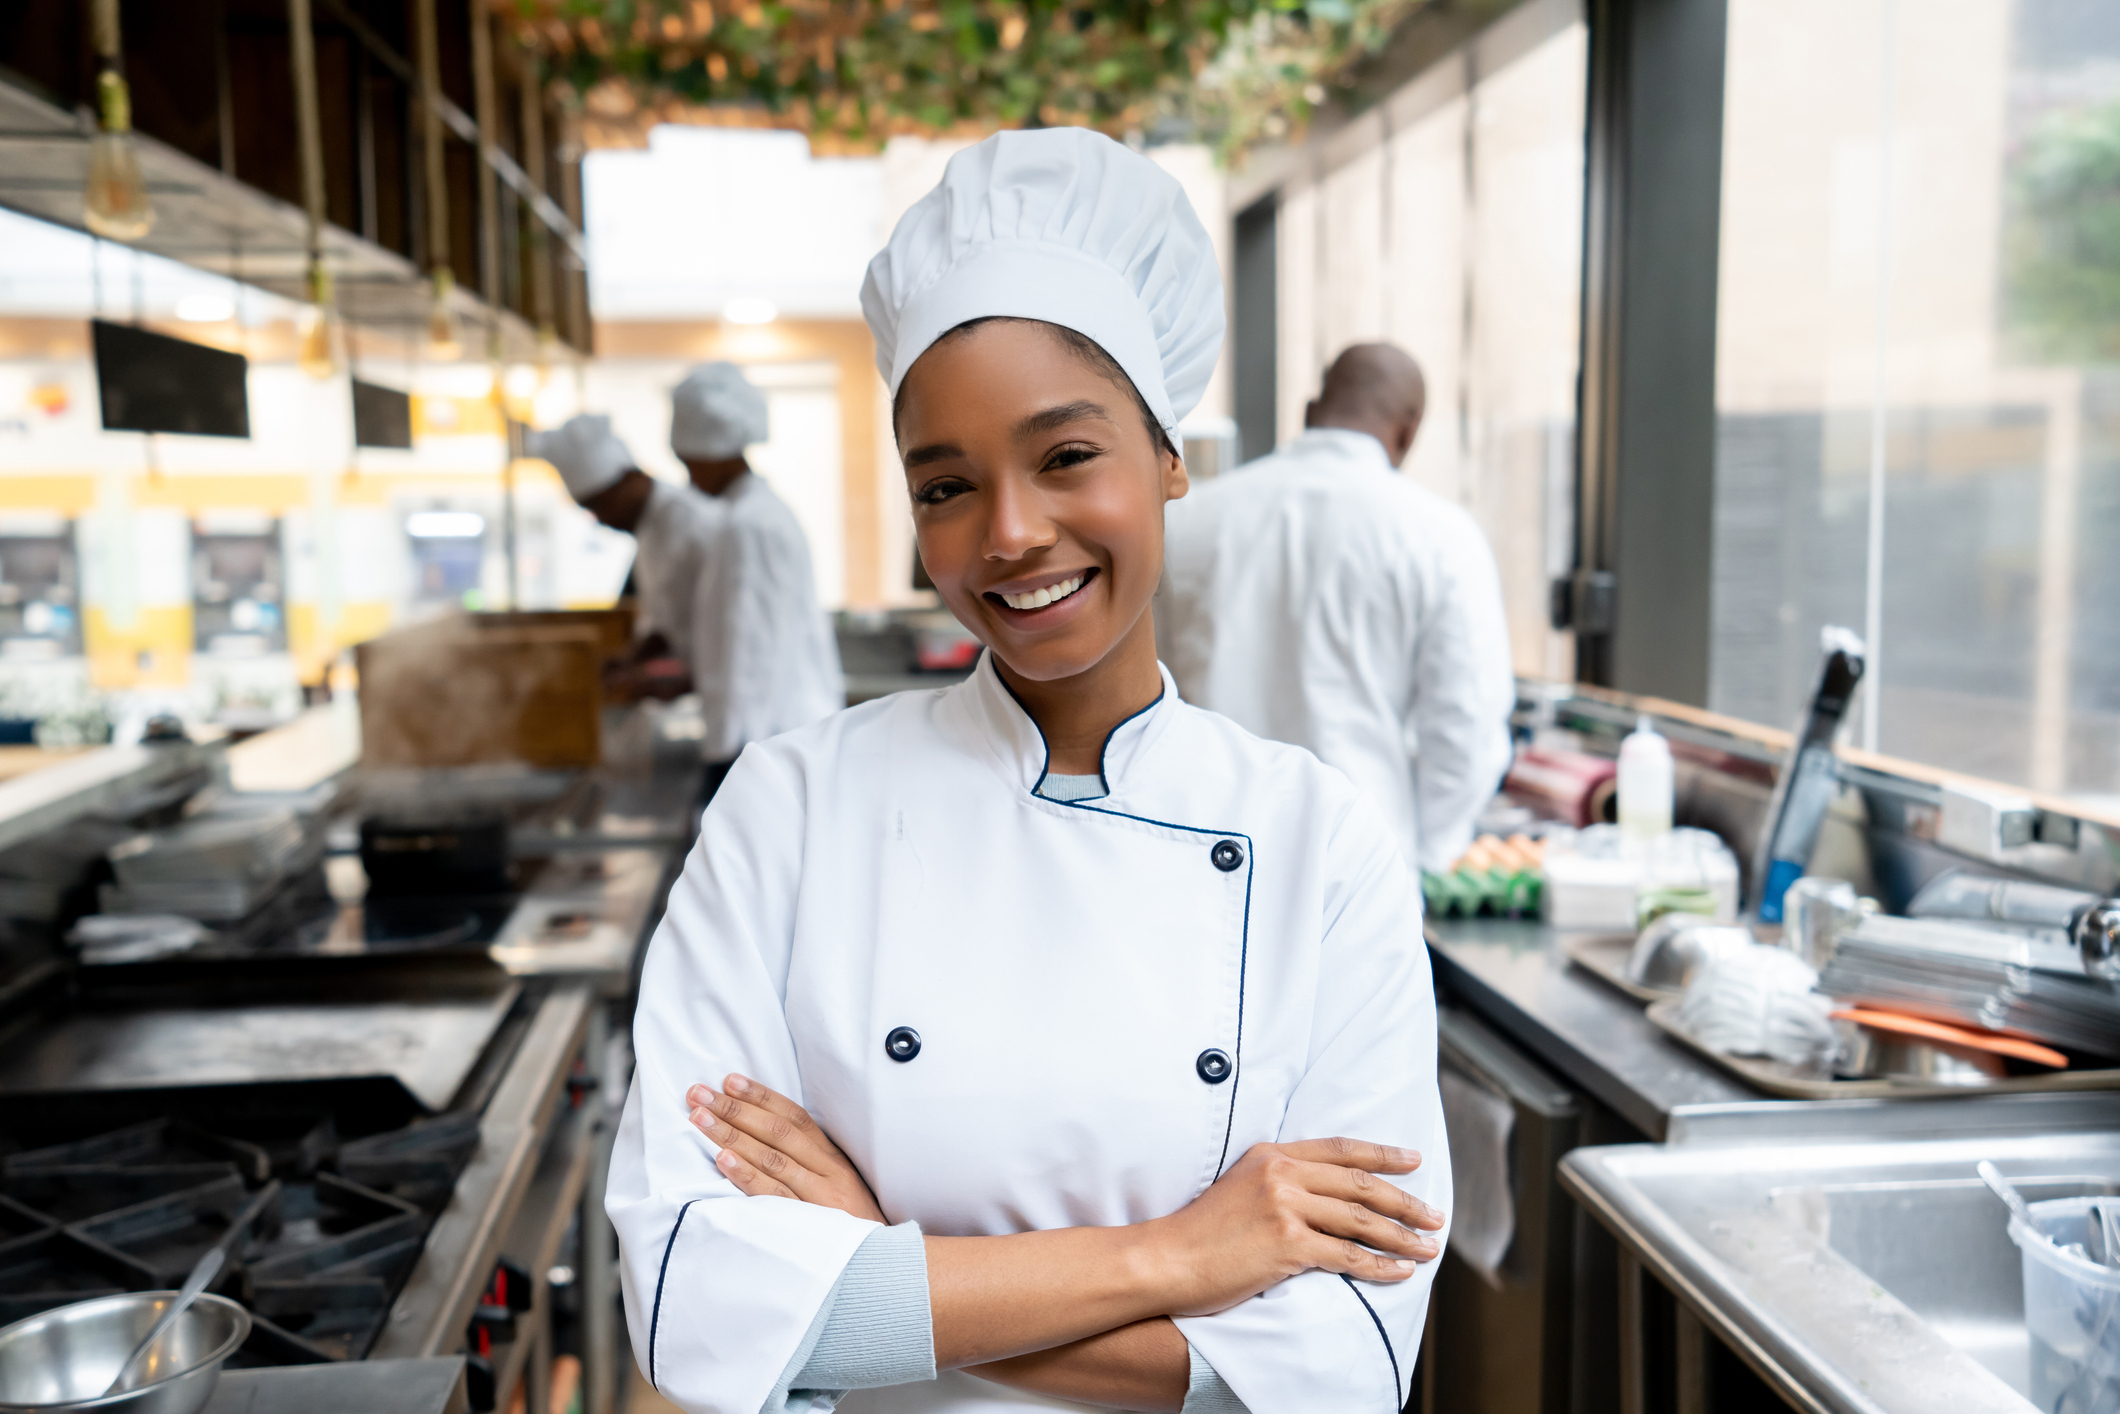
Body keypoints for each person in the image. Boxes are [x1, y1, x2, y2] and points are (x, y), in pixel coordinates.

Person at [608, 128, 1450, 1414]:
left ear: (1169, 459)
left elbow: (1342, 1367)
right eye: (944, 484)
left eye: (1066, 456)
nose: (1007, 534)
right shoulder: (788, 807)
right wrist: (1176, 1257)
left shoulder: (1316, 844)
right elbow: (700, 1304)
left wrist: (879, 1266)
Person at [1159, 343, 1517, 874]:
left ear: (1309, 412)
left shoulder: (1188, 522)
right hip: (1359, 867)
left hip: (1204, 855)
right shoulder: (1440, 537)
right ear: (1408, 430)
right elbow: (1466, 728)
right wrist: (1427, 855)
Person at [665, 360, 845, 779]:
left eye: (690, 461)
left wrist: (725, 760)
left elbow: (748, 653)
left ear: (715, 455)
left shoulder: (750, 525)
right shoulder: (754, 516)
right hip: (777, 737)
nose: (689, 476)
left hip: (770, 744)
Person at [531, 413, 716, 702]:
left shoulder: (692, 522)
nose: (601, 520)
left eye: (601, 504)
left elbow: (726, 631)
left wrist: (665, 687)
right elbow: (669, 623)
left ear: (631, 479)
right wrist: (629, 660)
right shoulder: (648, 529)